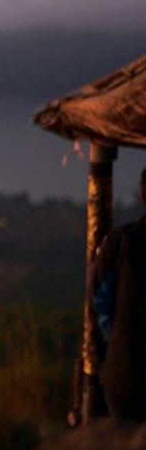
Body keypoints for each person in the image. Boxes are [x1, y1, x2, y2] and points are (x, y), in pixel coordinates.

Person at [92, 167, 146, 421]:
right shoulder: (121, 242)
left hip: (127, 378)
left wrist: (115, 339)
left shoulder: (121, 241)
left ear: (142, 195)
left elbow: (100, 300)